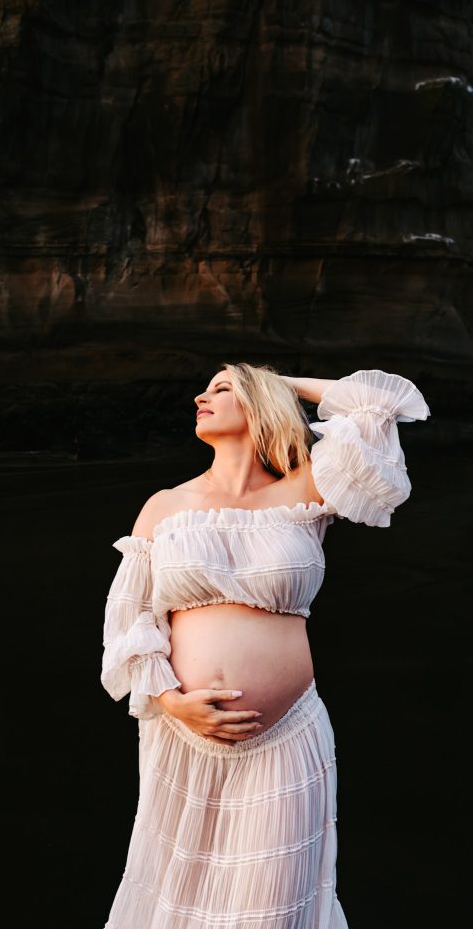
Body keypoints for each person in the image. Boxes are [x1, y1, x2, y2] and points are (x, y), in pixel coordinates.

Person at [100, 364, 430, 929]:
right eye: (204, 386)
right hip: (184, 734)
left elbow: (381, 403)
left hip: (288, 735)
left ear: (258, 404)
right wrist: (172, 702)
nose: (202, 395)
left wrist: (281, 381)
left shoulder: (307, 490)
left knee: (274, 909)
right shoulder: (165, 506)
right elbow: (132, 623)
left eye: (223, 388)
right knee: (179, 903)